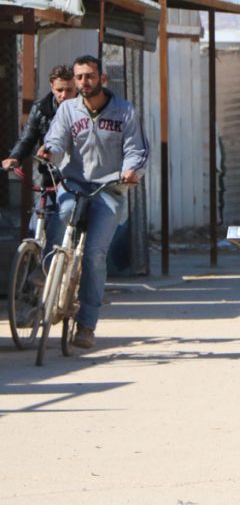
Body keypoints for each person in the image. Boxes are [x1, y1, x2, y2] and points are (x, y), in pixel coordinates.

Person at [42, 55, 148, 349]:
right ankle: (46, 270)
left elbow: (136, 149)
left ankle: (86, 325)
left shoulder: (124, 111)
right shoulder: (68, 110)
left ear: (102, 78)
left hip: (109, 188)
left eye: (89, 76)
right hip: (74, 183)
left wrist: (131, 170)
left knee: (94, 255)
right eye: (79, 77)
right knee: (62, 211)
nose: (84, 82)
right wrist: (49, 151)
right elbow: (56, 139)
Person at [3, 65, 77, 177]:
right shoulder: (41, 109)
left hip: (80, 174)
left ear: (77, 87)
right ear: (52, 87)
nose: (64, 95)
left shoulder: (85, 109)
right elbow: (27, 138)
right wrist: (15, 157)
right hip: (51, 172)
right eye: (59, 90)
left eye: (69, 90)